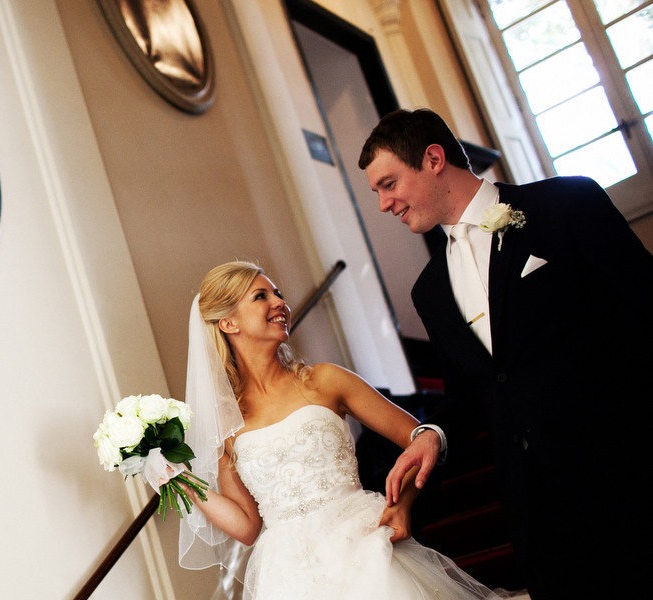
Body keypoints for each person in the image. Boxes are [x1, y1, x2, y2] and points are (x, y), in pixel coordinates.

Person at [358, 108, 653, 599]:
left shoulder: (566, 204)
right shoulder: (429, 291)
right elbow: (473, 393)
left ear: (433, 159)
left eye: (389, 184)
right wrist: (433, 434)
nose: (385, 204)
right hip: (539, 513)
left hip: (625, 468)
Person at [175, 260, 524, 599]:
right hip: (290, 575)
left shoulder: (325, 380)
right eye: (260, 296)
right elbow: (247, 527)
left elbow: (419, 439)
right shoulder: (229, 424)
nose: (280, 302)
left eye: (277, 293)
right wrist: (179, 481)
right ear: (228, 324)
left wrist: (403, 503)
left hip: (365, 544)